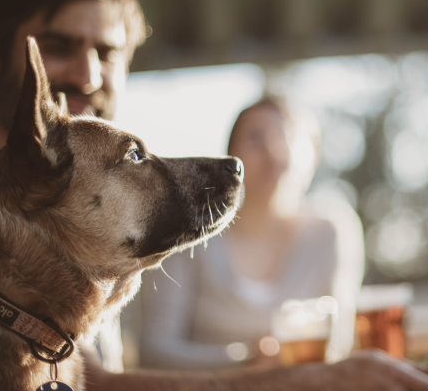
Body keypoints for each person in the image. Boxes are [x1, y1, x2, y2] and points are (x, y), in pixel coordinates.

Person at [0, 0, 428, 390]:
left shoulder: (86, 215)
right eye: (58, 47)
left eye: (108, 52)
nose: (89, 74)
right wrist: (305, 381)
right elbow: (92, 382)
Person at [140, 97, 364, 369]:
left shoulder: (331, 231)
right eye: (256, 139)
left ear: (313, 153)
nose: (273, 151)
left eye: (287, 137)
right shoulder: (188, 235)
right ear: (232, 160)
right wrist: (248, 360)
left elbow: (339, 343)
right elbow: (153, 352)